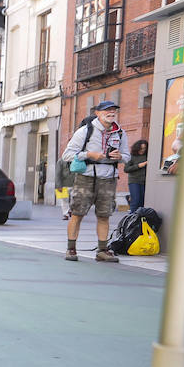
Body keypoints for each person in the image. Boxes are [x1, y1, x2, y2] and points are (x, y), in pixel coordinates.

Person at [61, 100, 128, 263]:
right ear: (97, 113)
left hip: (109, 178)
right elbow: (67, 155)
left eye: (114, 110)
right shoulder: (85, 131)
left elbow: (127, 156)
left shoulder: (120, 133)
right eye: (107, 110)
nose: (111, 112)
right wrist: (89, 154)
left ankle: (102, 250)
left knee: (104, 215)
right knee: (77, 213)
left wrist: (120, 157)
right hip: (86, 177)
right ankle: (71, 248)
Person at [125, 138, 149, 212]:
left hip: (145, 182)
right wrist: (139, 165)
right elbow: (126, 169)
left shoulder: (148, 156)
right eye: (141, 148)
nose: (142, 150)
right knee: (135, 201)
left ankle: (138, 220)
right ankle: (131, 219)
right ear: (137, 148)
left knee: (142, 202)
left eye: (144, 148)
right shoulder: (131, 156)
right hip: (134, 181)